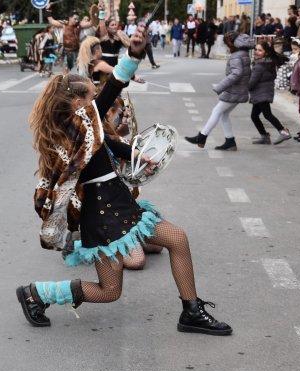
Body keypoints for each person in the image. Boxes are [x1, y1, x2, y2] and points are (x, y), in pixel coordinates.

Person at [16, 28, 232, 336]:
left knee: (125, 278)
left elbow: (111, 146)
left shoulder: (85, 132)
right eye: (91, 97)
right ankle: (38, 293)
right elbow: (112, 89)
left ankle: (37, 294)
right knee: (125, 278)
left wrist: (140, 155)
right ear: (77, 103)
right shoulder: (74, 130)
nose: (96, 102)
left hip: (112, 206)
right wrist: (132, 55)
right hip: (105, 214)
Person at [185, 32, 253, 151]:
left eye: (227, 44)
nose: (226, 46)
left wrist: (220, 86)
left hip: (234, 90)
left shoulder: (236, 56)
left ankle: (202, 137)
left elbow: (236, 73)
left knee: (216, 111)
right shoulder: (244, 54)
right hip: (239, 89)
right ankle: (230, 141)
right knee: (224, 114)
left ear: (232, 44)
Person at [249, 41, 291, 145]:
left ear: (266, 52)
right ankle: (264, 136)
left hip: (261, 93)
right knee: (254, 116)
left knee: (267, 114)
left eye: (260, 50)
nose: (257, 52)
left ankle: (283, 131)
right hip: (263, 92)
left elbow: (251, 83)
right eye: (256, 50)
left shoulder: (260, 65)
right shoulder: (269, 63)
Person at [45, 5, 93, 72]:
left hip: (77, 51)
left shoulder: (80, 25)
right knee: (65, 71)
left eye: (77, 19)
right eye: (75, 19)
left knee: (79, 70)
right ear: (70, 18)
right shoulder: (64, 24)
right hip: (66, 51)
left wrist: (92, 12)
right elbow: (51, 21)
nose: (76, 21)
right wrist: (48, 10)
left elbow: (91, 23)